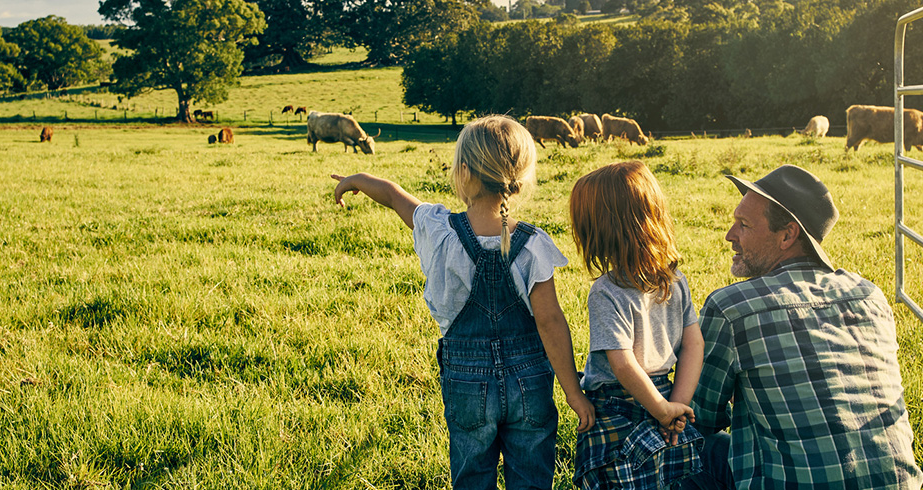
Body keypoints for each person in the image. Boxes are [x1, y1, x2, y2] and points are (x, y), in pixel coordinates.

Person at [331, 115, 594, 489]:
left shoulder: (439, 231)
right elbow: (550, 321)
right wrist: (573, 392)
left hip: (466, 381)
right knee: (533, 477)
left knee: (472, 476)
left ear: (464, 173)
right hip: (531, 382)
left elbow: (393, 195)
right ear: (519, 178)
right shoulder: (534, 243)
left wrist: (357, 179)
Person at [688, 165, 923, 489]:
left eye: (743, 225)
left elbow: (699, 417)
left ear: (787, 235)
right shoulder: (869, 295)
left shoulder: (732, 308)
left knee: (685, 448)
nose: (730, 235)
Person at [567, 161, 705, 489]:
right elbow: (693, 345)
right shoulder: (675, 281)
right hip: (664, 396)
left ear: (600, 231)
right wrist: (677, 409)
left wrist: (663, 410)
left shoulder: (606, 291)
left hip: (619, 408)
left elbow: (623, 364)